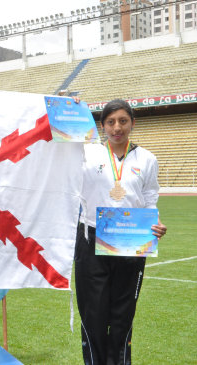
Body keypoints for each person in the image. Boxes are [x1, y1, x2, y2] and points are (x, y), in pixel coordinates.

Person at [75, 99, 167, 365]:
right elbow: (57, 147)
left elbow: (150, 197)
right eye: (111, 122)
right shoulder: (86, 154)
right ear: (102, 126)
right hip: (91, 239)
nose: (117, 127)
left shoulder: (147, 158)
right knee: (93, 315)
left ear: (132, 124)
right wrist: (69, 108)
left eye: (123, 121)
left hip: (132, 240)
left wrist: (155, 222)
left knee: (122, 316)